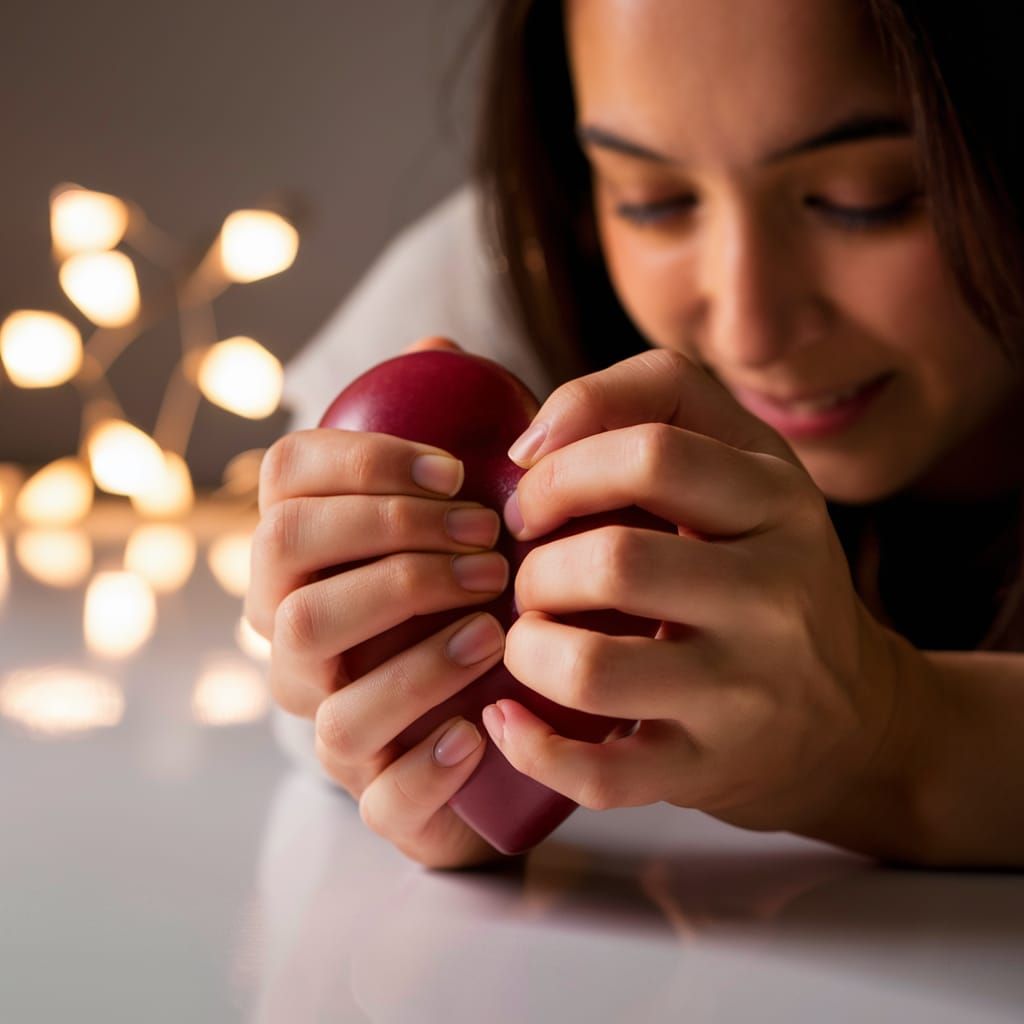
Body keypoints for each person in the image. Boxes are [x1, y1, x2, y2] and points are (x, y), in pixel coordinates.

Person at [246, 0, 1024, 870]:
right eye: (653, 201)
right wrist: (431, 750)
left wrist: (885, 738)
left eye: (864, 201)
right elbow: (301, 686)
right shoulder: (507, 272)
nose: (748, 330)